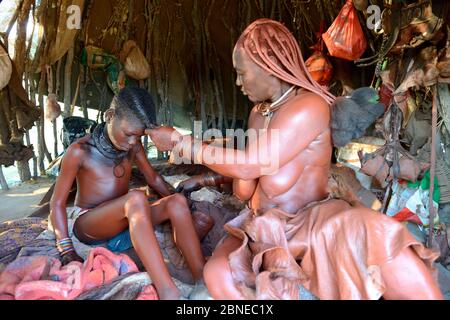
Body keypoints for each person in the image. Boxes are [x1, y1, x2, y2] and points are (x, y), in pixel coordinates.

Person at [146, 19, 443, 300]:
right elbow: (244, 188)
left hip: (307, 219)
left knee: (371, 233)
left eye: (242, 72)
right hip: (262, 223)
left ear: (269, 67)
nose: (237, 82)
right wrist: (236, 165)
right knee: (217, 273)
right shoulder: (258, 112)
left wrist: (181, 142)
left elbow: (253, 163)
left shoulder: (308, 106)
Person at [50, 87, 205, 300]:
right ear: (110, 116)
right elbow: (57, 203)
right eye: (129, 134)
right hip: (89, 224)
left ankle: (203, 279)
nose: (133, 142)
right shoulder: (79, 151)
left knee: (176, 202)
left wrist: (179, 197)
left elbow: (154, 178)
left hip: (124, 219)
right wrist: (65, 249)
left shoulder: (133, 146)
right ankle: (169, 292)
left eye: (139, 136)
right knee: (136, 197)